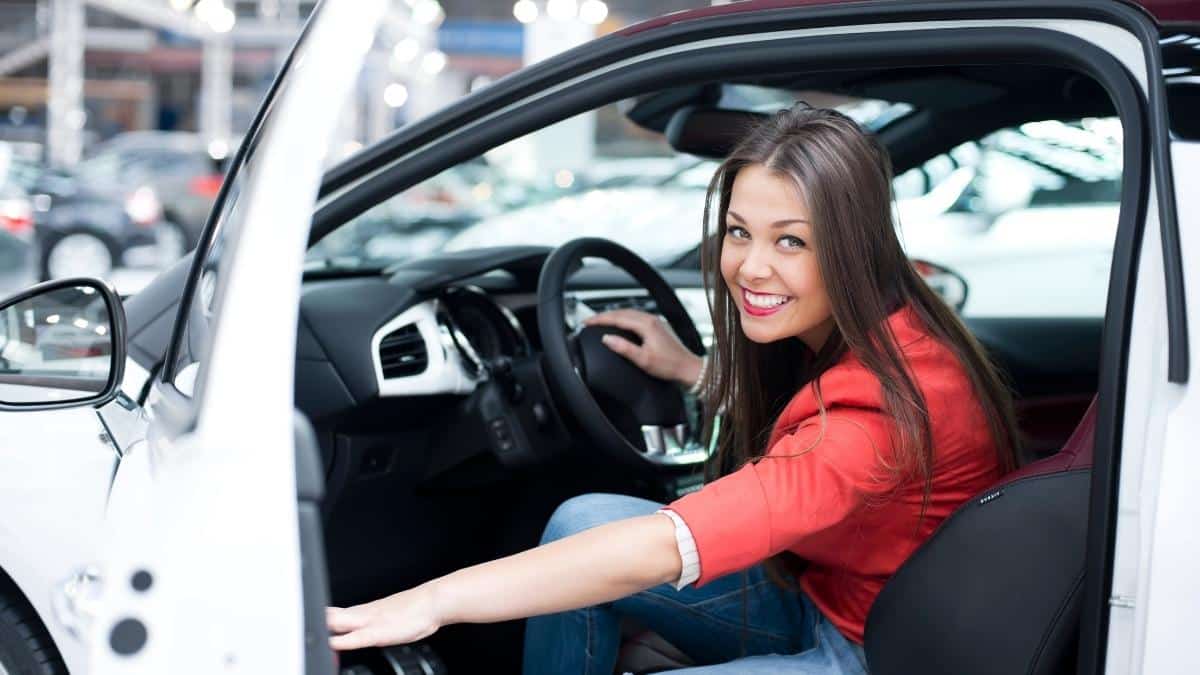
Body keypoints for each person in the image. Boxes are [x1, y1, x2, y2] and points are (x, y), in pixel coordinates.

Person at [325, 105, 1021, 674]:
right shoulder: (887, 329)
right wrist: (693, 371)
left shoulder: (879, 411)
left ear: (854, 248)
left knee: (613, 550)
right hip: (828, 594)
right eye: (739, 232)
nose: (749, 268)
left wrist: (430, 603)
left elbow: (671, 543)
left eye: (791, 242)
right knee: (580, 520)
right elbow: (817, 447)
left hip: (877, 650)